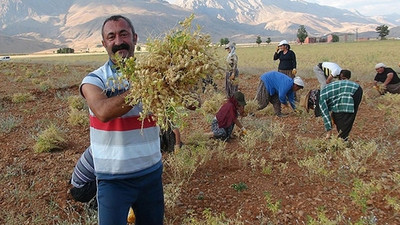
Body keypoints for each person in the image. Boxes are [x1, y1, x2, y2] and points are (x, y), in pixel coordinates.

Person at [79, 15, 164, 225]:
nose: (118, 41)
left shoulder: (156, 74)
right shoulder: (94, 80)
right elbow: (103, 111)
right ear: (104, 43)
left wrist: (179, 79)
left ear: (134, 37)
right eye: (111, 36)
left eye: (123, 34)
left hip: (151, 174)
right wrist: (146, 85)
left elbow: (190, 104)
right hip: (113, 180)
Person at [319, 75, 363, 141]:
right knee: (338, 116)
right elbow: (333, 110)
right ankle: (342, 138)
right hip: (355, 88)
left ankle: (342, 140)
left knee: (343, 116)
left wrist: (328, 133)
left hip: (350, 90)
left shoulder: (321, 99)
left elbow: (326, 116)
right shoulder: (322, 92)